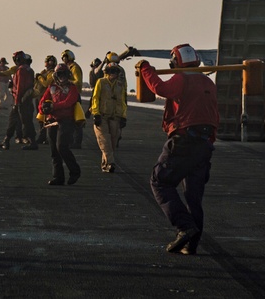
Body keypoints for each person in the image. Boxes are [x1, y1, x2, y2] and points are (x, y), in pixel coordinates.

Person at [135, 43, 218, 255]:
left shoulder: (181, 79)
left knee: (160, 182)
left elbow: (161, 89)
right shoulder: (208, 81)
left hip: (183, 142)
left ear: (175, 62)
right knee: (193, 196)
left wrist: (145, 69)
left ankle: (184, 227)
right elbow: (213, 115)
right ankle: (192, 245)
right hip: (204, 144)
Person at [38, 64, 81, 185]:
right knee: (54, 151)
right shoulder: (51, 87)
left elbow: (69, 102)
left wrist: (53, 107)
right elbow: (42, 101)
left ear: (68, 75)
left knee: (62, 146)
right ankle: (58, 177)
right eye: (60, 74)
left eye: (64, 74)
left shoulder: (72, 88)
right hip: (51, 121)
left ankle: (75, 171)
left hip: (66, 121)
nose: (62, 77)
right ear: (56, 76)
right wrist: (43, 109)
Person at [0, 51, 37, 150]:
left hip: (21, 101)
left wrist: (17, 102)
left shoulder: (20, 70)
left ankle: (32, 142)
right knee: (16, 121)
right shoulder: (29, 70)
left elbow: (20, 88)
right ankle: (6, 141)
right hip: (26, 100)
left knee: (24, 122)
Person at [90, 62, 127, 173]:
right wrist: (96, 113)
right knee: (104, 141)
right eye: (111, 71)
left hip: (115, 117)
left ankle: (105, 165)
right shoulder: (101, 82)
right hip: (102, 117)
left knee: (112, 142)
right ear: (107, 72)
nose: (113, 73)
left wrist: (123, 116)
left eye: (115, 71)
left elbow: (122, 101)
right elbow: (95, 98)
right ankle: (111, 163)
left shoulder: (120, 85)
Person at [61, 50, 85, 149]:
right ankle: (72, 141)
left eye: (64, 57)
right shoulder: (68, 68)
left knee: (77, 120)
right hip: (70, 95)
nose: (63, 59)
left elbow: (78, 82)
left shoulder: (74, 68)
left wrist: (66, 81)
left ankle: (77, 142)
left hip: (75, 95)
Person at [33, 55, 58, 144]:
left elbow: (46, 83)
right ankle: (43, 136)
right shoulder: (44, 72)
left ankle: (44, 137)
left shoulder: (52, 73)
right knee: (40, 119)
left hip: (46, 98)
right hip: (39, 97)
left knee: (46, 119)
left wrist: (39, 77)